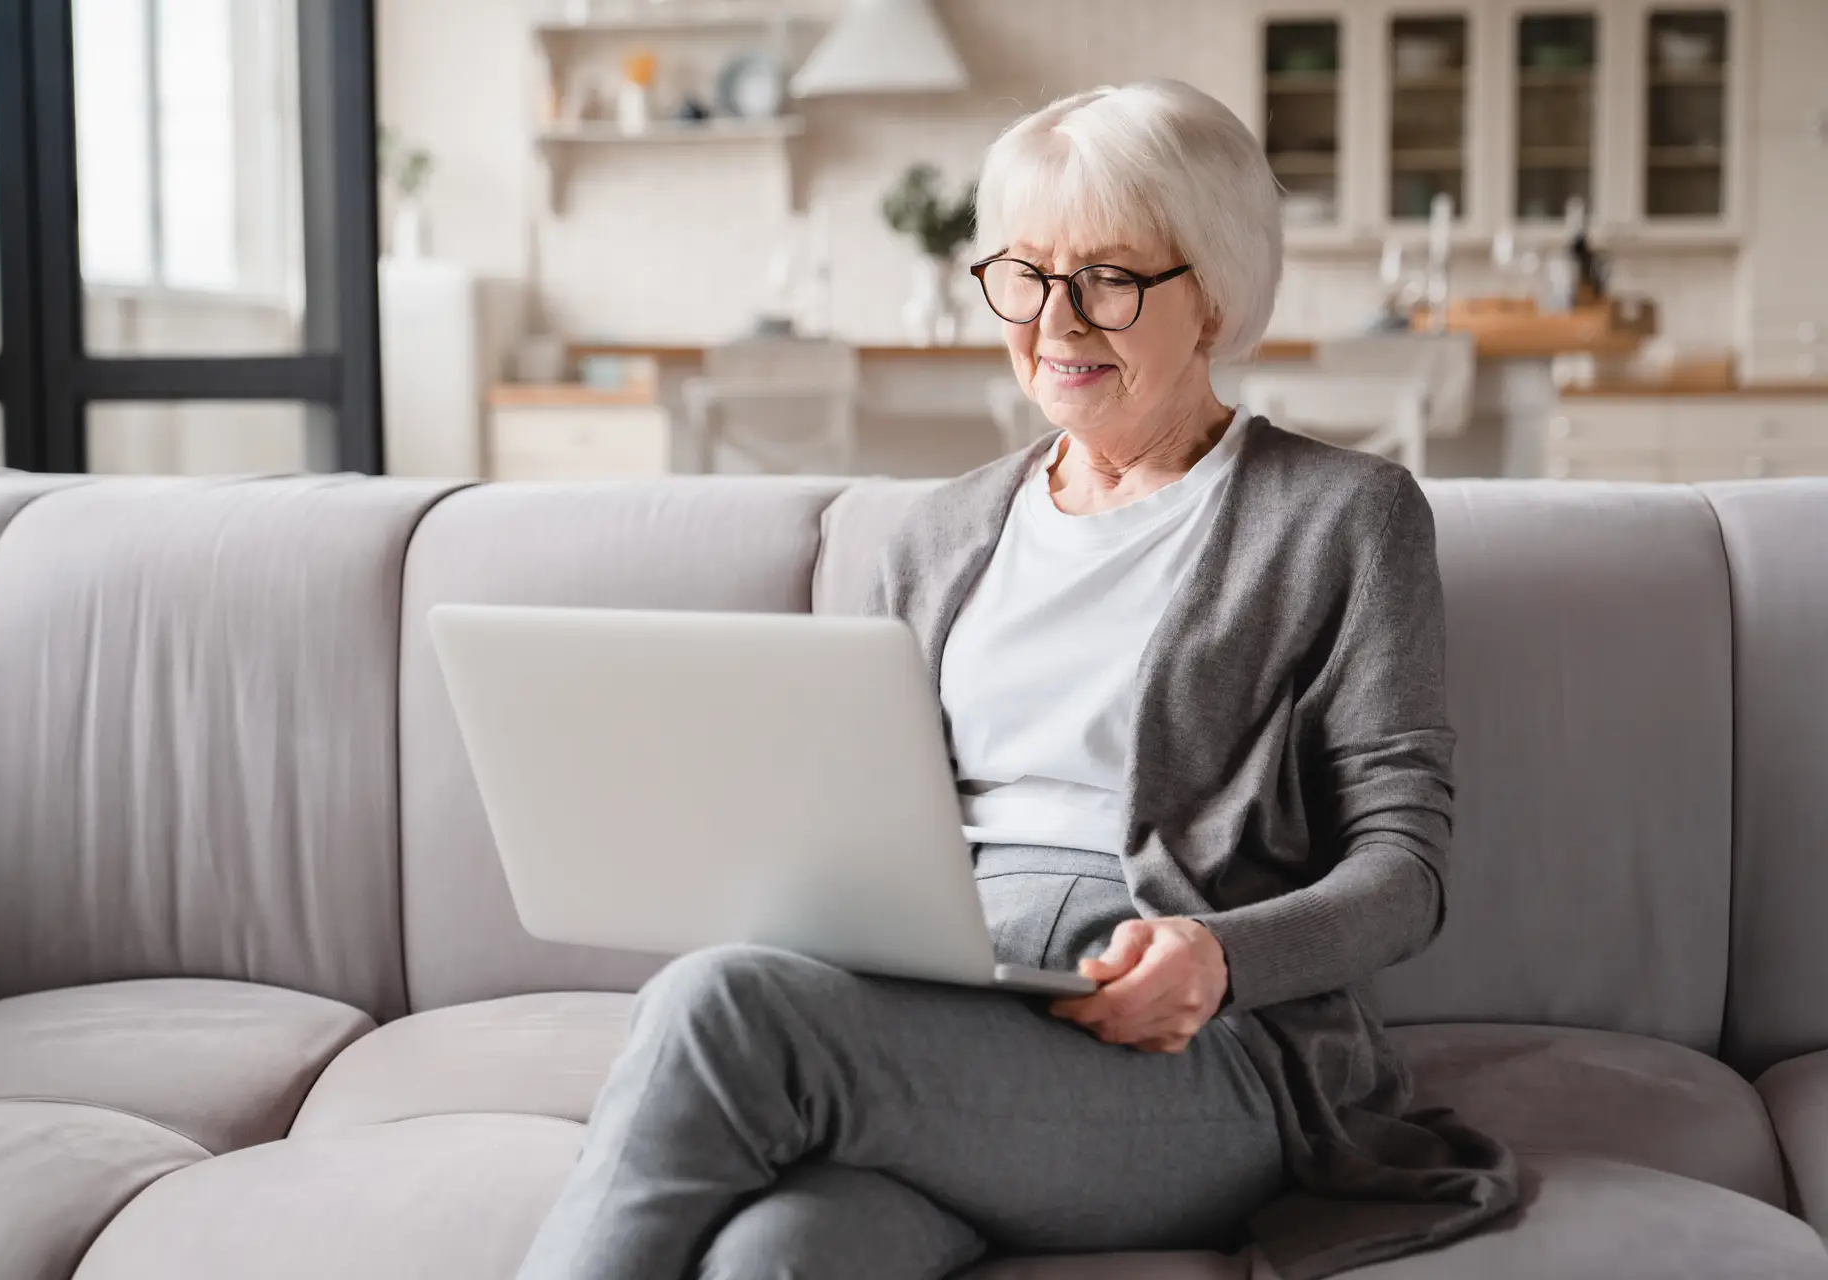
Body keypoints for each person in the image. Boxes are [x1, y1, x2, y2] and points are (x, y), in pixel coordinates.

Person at [517, 79, 1517, 1280]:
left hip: (1198, 1053)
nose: (1054, 321)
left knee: (718, 1004)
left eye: (1108, 277)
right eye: (1026, 275)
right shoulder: (939, 534)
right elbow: (841, 819)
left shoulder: (1343, 517)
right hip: (936, 1007)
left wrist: (1222, 955)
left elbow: (1404, 874)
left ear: (1212, 295)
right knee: (779, 1255)